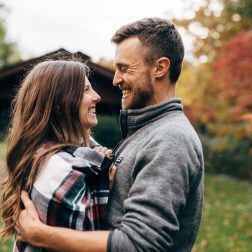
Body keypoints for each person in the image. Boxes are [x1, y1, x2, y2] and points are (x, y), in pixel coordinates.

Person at [15, 17, 204, 252]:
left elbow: (139, 245)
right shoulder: (145, 132)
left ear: (160, 68)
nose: (115, 80)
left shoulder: (170, 139)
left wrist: (41, 235)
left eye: (124, 68)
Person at [0, 60, 116, 251]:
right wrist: (105, 186)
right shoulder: (62, 169)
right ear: (61, 103)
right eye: (86, 90)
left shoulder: (48, 155)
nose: (97, 97)